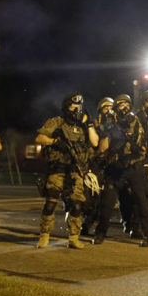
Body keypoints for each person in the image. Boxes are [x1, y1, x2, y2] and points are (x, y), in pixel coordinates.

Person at [35, 93, 99, 249]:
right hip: (57, 169)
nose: (77, 109)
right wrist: (55, 142)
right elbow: (39, 138)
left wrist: (89, 124)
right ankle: (44, 235)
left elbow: (95, 142)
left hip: (76, 171)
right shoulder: (57, 122)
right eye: (73, 106)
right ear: (66, 107)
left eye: (79, 107)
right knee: (50, 204)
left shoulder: (82, 127)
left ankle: (73, 237)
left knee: (77, 205)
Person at [96, 93, 148, 247]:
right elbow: (103, 147)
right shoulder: (110, 122)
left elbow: (143, 145)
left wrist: (135, 149)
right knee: (107, 203)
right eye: (121, 105)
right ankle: (100, 233)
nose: (125, 108)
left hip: (132, 165)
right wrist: (109, 134)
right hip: (115, 167)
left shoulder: (134, 121)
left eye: (127, 104)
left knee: (142, 202)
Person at [82, 97, 115, 238]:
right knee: (92, 199)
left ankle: (99, 228)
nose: (109, 110)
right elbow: (97, 145)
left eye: (111, 107)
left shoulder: (117, 124)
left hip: (111, 165)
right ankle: (85, 224)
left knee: (107, 200)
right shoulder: (95, 124)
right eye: (105, 107)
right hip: (95, 164)